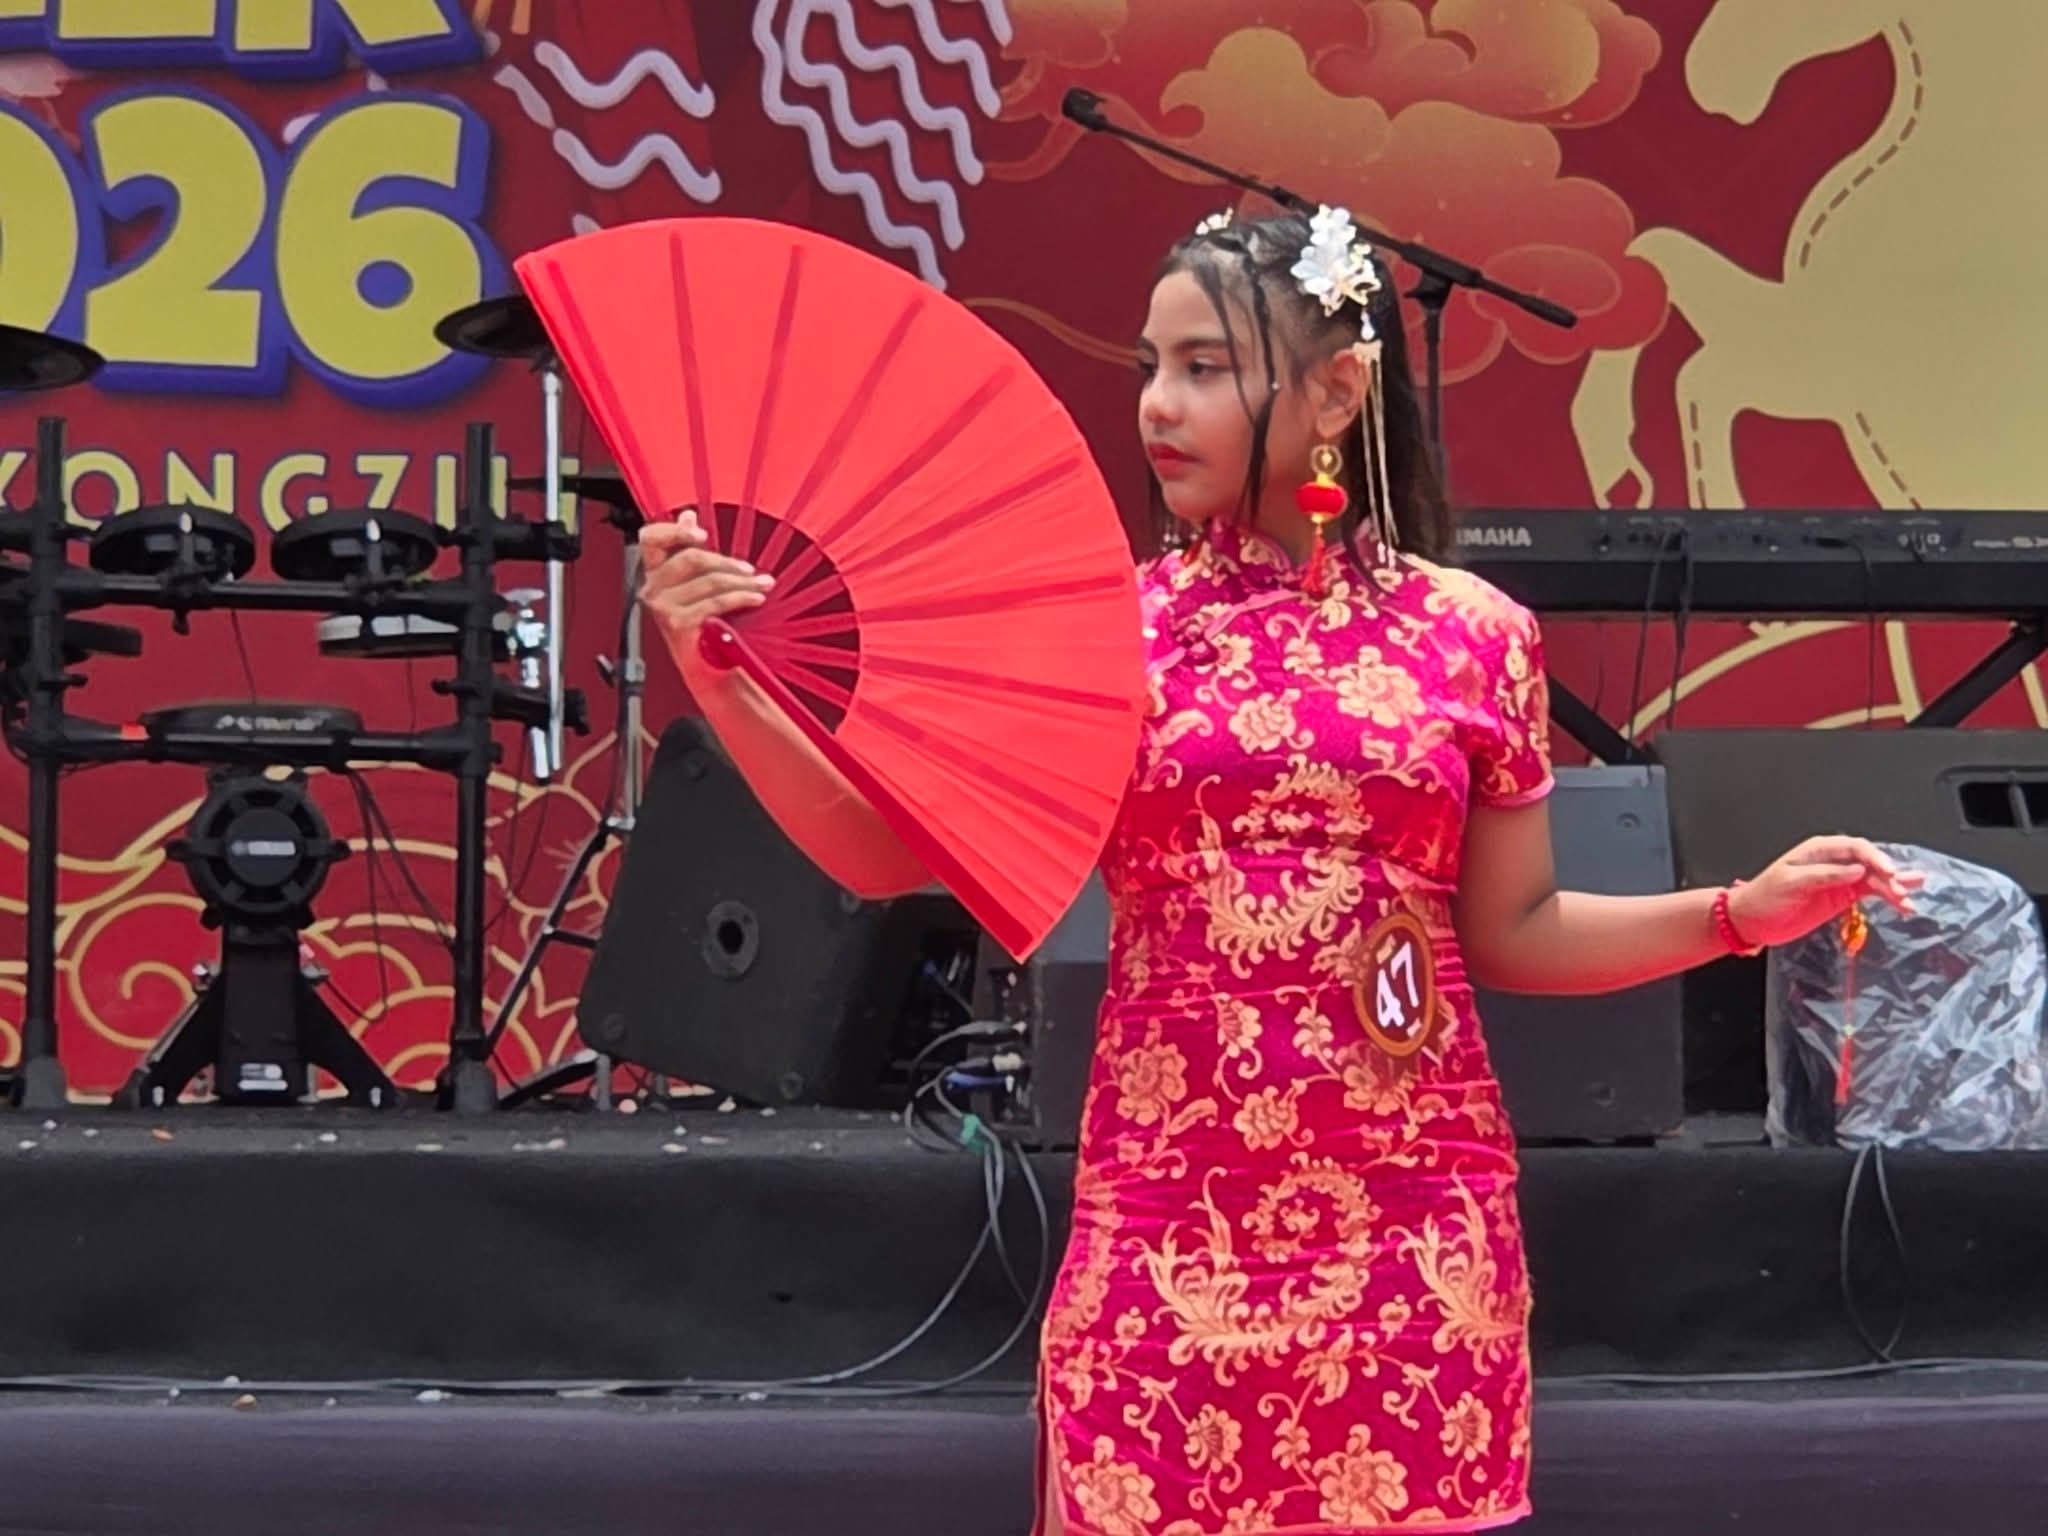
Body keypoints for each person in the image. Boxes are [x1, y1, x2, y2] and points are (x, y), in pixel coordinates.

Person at [636, 207, 1921, 1536]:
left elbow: (1517, 931)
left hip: (1412, 1224)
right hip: (1166, 1218)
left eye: (1203, 367)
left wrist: (1737, 915)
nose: (1157, 403)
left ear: (1338, 392)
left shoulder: (1476, 635)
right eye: (1150, 365)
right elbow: (878, 849)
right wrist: (723, 680)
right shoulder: (1108, 634)